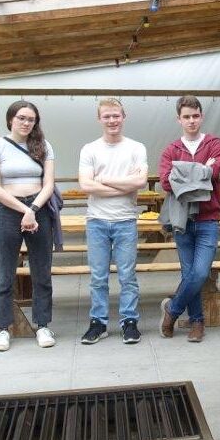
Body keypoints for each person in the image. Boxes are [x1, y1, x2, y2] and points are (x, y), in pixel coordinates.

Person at [0, 101, 57, 352]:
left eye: (31, 119)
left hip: (39, 208)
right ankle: (3, 328)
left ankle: (43, 324)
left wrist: (33, 209)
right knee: (4, 272)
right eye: (21, 118)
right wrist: (25, 211)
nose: (26, 123)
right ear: (10, 119)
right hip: (8, 210)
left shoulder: (43, 146)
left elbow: (48, 184)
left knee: (41, 270)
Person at [77, 97, 148, 345]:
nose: (112, 120)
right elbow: (86, 185)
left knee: (127, 276)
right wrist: (124, 185)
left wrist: (102, 180)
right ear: (99, 119)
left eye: (116, 115)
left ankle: (130, 322)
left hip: (126, 220)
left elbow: (140, 182)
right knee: (98, 277)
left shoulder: (136, 148)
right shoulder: (89, 149)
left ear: (123, 117)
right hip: (96, 220)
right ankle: (98, 322)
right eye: (106, 116)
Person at [157, 95, 220, 343]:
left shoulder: (214, 143)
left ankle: (172, 309)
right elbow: (166, 182)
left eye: (195, 116)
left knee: (200, 273)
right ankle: (197, 321)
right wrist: (201, 171)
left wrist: (183, 174)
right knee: (189, 274)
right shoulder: (171, 150)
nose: (191, 121)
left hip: (208, 219)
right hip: (182, 220)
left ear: (202, 116)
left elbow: (214, 173)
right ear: (179, 119)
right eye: (186, 117)